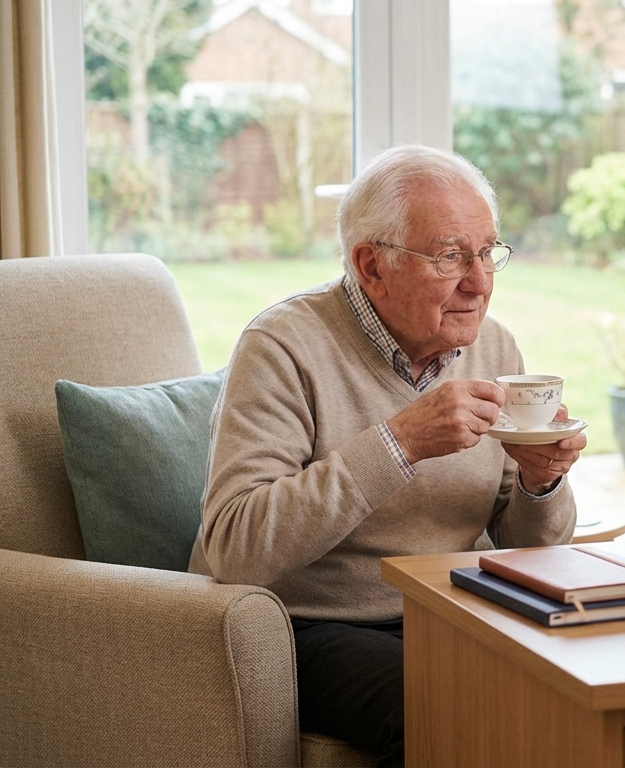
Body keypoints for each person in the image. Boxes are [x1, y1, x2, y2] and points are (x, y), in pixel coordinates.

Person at [188, 144, 584, 766]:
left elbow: (526, 546)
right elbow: (235, 546)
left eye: (487, 253)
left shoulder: (496, 349)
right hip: (308, 622)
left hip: (449, 607)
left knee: (592, 682)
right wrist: (399, 443)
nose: (479, 283)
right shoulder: (282, 347)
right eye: (450, 256)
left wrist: (542, 483)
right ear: (371, 265)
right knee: (454, 702)